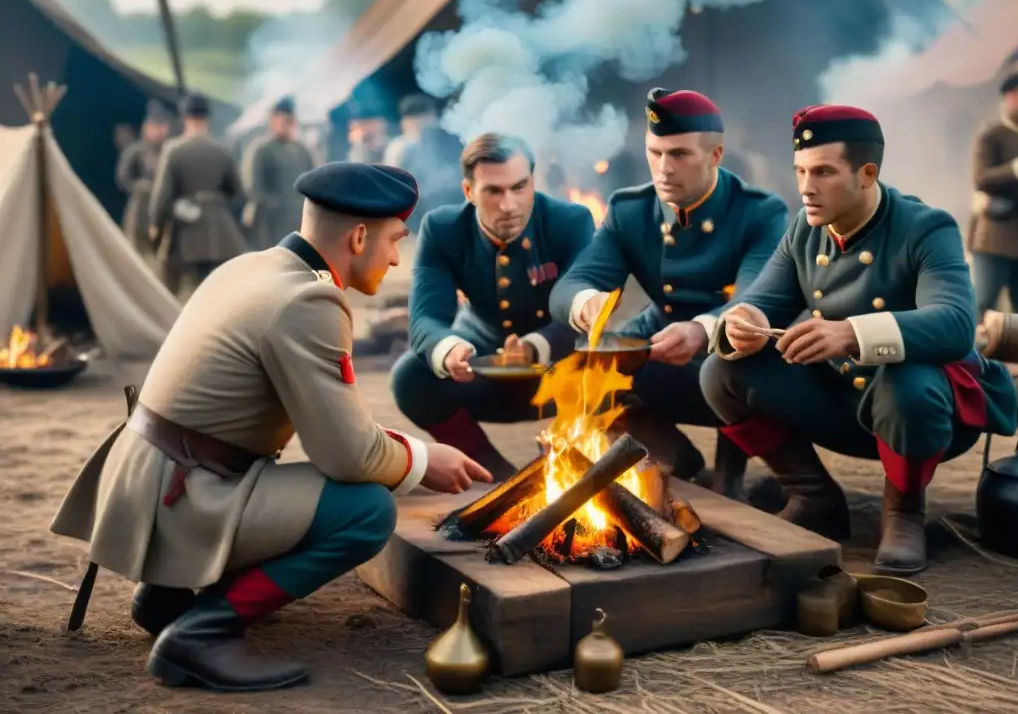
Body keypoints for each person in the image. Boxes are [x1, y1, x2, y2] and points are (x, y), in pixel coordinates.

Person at [49, 162, 492, 692]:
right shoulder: (310, 302)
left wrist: (407, 450)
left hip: (150, 476)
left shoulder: (254, 267)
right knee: (366, 511)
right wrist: (422, 461)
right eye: (396, 240)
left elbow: (329, 422)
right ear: (358, 237)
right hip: (183, 493)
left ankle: (167, 595)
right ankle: (201, 635)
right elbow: (346, 455)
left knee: (320, 485)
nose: (398, 255)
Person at [699, 104, 1018, 575]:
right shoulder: (805, 230)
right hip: (841, 401)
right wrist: (742, 320)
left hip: (925, 416)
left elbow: (954, 323)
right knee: (720, 372)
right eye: (801, 171)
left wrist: (852, 334)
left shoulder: (926, 227)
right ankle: (812, 495)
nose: (806, 187)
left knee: (908, 384)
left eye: (824, 172)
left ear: (867, 173)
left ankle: (904, 512)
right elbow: (759, 299)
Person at [548, 88, 789, 496]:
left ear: (715, 155)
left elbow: (755, 302)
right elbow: (569, 285)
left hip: (736, 354)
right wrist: (585, 302)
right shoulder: (629, 210)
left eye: (679, 154)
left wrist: (702, 330)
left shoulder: (759, 212)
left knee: (732, 364)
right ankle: (672, 455)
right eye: (654, 153)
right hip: (658, 342)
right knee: (580, 368)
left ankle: (730, 476)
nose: (663, 168)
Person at [390, 133, 596, 480]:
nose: (510, 205)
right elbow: (426, 316)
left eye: (519, 187)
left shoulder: (571, 221)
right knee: (410, 377)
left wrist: (535, 347)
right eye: (494, 191)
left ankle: (669, 455)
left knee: (626, 367)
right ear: (469, 192)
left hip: (560, 369)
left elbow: (582, 309)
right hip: (480, 365)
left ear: (533, 181)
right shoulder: (442, 229)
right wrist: (450, 349)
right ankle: (490, 474)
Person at [149, 92, 249, 294]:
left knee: (177, 289)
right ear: (207, 119)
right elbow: (239, 194)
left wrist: (156, 228)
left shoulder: (174, 150)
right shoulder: (222, 150)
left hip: (186, 237)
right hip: (223, 237)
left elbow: (162, 199)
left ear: (185, 118)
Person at [967, 70, 1018, 317]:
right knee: (984, 304)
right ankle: (971, 356)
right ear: (1010, 96)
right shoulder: (992, 134)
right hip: (995, 237)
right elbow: (981, 179)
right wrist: (1015, 170)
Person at [240, 96, 317, 249]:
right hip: (270, 222)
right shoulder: (261, 149)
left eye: (289, 121)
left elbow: (313, 181)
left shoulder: (302, 150)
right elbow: (253, 187)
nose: (286, 125)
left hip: (298, 219)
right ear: (272, 120)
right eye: (282, 121)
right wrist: (272, 204)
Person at [117, 100, 172, 255]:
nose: (159, 131)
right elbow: (123, 177)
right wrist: (141, 187)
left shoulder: (171, 152)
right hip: (140, 209)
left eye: (162, 127)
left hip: (163, 211)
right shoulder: (136, 151)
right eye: (155, 127)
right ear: (146, 128)